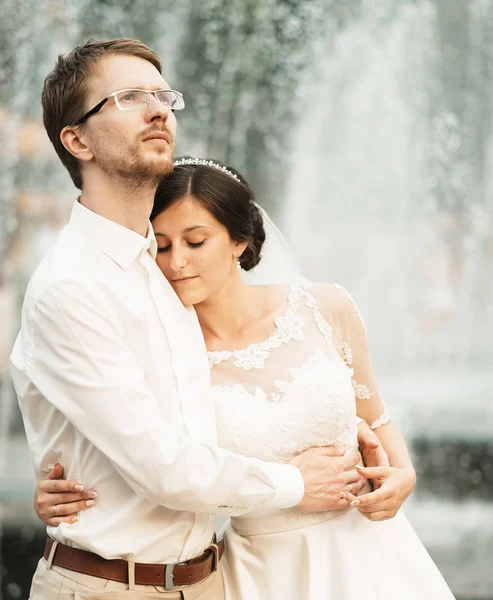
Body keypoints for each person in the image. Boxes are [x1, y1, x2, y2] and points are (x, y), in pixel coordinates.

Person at [10, 39, 384, 600]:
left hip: (214, 578)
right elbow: (161, 467)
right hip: (111, 588)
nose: (159, 109)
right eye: (129, 97)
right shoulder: (73, 288)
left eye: (163, 96)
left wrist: (347, 431)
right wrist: (298, 482)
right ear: (76, 139)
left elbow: (246, 382)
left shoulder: (166, 269)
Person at [34, 158, 456, 599]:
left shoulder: (326, 307)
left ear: (239, 240)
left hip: (370, 557)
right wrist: (54, 493)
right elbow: (145, 452)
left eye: (195, 241)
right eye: (160, 246)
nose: (177, 261)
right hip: (259, 573)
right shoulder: (160, 350)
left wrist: (404, 475)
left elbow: (378, 417)